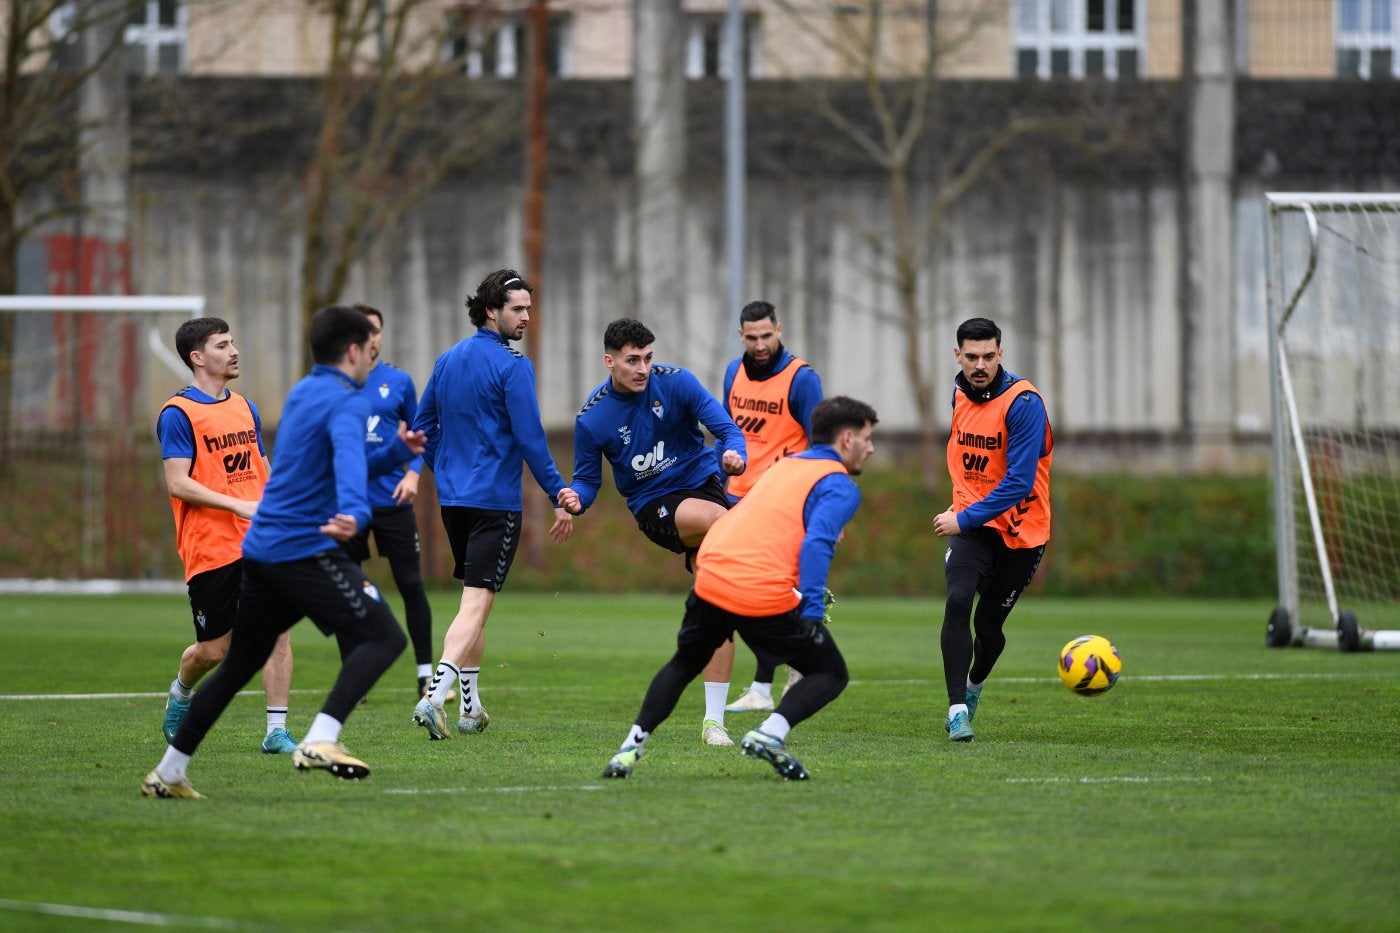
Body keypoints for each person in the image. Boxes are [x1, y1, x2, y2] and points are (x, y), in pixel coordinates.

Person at [143, 304, 426, 798]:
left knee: (235, 665)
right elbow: (349, 468)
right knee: (385, 638)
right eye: (370, 346)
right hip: (299, 547)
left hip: (261, 546)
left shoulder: (304, 393)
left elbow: (326, 464)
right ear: (355, 351)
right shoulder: (348, 401)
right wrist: (357, 516)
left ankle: (168, 773)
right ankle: (321, 739)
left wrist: (397, 452)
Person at [599, 396, 878, 782]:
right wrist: (811, 613)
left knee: (684, 663)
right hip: (757, 587)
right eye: (867, 437)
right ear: (847, 438)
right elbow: (816, 544)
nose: (872, 446)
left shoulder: (785, 467)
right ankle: (769, 734)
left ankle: (630, 748)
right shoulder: (839, 486)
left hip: (712, 572)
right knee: (830, 672)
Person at [410, 270, 579, 740]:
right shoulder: (514, 365)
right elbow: (531, 439)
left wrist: (442, 468)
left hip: (454, 500)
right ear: (491, 310)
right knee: (476, 604)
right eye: (517, 309)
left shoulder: (446, 360)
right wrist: (557, 491)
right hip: (496, 504)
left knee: (474, 605)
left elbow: (421, 429)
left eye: (528, 307)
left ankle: (470, 707)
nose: (526, 317)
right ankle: (433, 695)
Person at [570, 318, 748, 747]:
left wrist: (733, 455)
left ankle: (713, 723)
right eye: (632, 360)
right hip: (656, 506)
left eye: (648, 358)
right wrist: (575, 498)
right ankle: (785, 601)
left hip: (706, 485)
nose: (643, 368)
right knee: (730, 526)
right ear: (609, 361)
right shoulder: (593, 419)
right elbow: (587, 481)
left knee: (719, 600)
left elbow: (727, 430)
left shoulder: (678, 383)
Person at [155, 317, 297, 756]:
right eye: (222, 345)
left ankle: (276, 731)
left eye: (233, 342)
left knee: (277, 631)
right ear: (198, 358)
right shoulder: (178, 414)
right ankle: (182, 690)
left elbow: (260, 467)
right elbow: (178, 482)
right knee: (213, 651)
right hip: (211, 548)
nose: (234, 351)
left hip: (260, 541)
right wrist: (236, 504)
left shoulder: (244, 407)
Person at [933, 317, 1054, 743]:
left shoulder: (1023, 404)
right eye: (972, 357)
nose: (980, 364)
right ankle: (956, 710)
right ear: (957, 355)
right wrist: (966, 511)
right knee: (958, 600)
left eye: (988, 356)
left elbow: (1019, 482)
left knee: (988, 628)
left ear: (1001, 353)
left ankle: (975, 686)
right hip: (974, 526)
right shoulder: (959, 394)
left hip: (1022, 535)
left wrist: (961, 517)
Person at [719, 301, 824, 716]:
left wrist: (822, 504)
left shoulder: (802, 380)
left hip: (783, 501)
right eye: (752, 337)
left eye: (767, 335)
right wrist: (720, 478)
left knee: (764, 592)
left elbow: (821, 447)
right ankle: (770, 681)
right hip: (737, 498)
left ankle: (774, 679)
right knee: (746, 593)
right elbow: (726, 433)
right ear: (741, 335)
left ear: (779, 329)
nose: (760, 344)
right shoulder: (733, 372)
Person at [337, 304, 436, 698]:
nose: (370, 337)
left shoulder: (398, 381)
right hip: (348, 503)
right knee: (349, 585)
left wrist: (413, 475)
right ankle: (353, 674)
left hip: (393, 499)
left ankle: (427, 676)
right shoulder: (335, 382)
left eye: (375, 330)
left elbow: (421, 434)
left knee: (411, 584)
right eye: (363, 330)